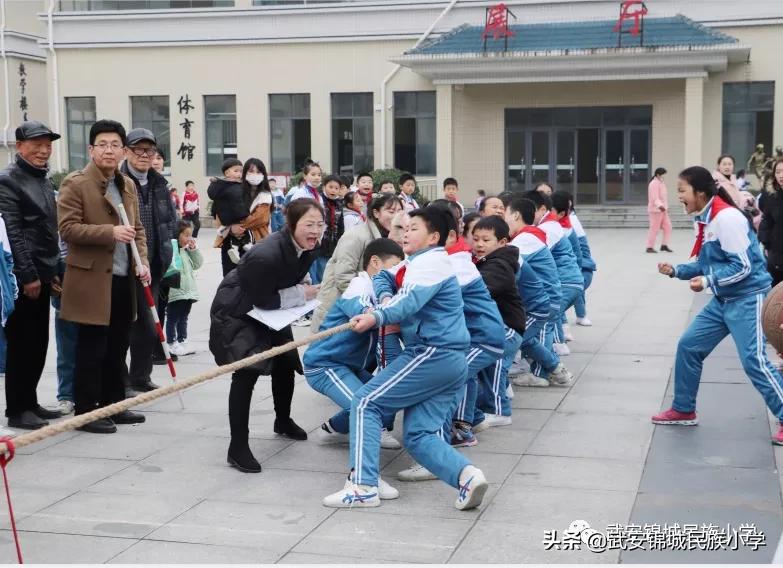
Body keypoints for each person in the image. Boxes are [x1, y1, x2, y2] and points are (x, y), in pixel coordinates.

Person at [322, 207, 489, 510]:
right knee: (419, 434)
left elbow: (408, 303)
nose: (405, 233)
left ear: (434, 237)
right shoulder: (418, 263)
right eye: (404, 228)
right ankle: (467, 476)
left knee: (365, 402)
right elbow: (387, 280)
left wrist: (376, 315)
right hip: (449, 360)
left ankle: (363, 487)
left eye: (413, 228)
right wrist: (385, 300)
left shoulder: (431, 263)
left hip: (432, 353)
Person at [653, 166, 783, 446]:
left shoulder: (727, 219)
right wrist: (676, 270)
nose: (679, 197)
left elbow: (745, 267)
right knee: (689, 346)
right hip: (724, 299)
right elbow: (704, 261)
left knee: (755, 361)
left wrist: (708, 281)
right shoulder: (705, 218)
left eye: (682, 191)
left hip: (748, 298)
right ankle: (684, 409)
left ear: (700, 192)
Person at [210, 199, 324, 472]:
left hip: (273, 307)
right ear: (292, 224)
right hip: (239, 308)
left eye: (320, 224)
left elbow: (295, 273)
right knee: (246, 372)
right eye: (309, 224)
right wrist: (303, 294)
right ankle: (237, 447)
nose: (316, 230)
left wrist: (303, 285)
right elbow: (263, 299)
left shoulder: (309, 245)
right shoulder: (266, 253)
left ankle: (282, 420)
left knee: (285, 362)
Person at [58, 119, 150, 434]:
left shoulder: (126, 184)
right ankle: (86, 411)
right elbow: (68, 229)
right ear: (91, 149)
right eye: (103, 145)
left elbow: (137, 229)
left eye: (115, 145)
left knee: (118, 344)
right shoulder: (76, 183)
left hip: (124, 277)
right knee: (91, 346)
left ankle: (114, 403)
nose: (109, 151)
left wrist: (144, 261)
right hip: (92, 279)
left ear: (123, 151)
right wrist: (109, 232)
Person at [303, 238, 404, 451]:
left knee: (387, 394)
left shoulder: (382, 289)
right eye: (394, 265)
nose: (396, 272)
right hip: (325, 366)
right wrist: (376, 314)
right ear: (375, 262)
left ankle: (333, 430)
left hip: (350, 367)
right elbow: (360, 311)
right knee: (367, 405)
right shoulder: (359, 285)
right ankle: (364, 471)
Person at [0, 120, 63, 429]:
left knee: (38, 341)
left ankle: (30, 400)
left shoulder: (41, 178)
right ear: (19, 146)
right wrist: (27, 275)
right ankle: (17, 408)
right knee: (22, 341)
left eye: (48, 144)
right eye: (36, 144)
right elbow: (13, 233)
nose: (43, 150)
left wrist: (51, 269)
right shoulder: (8, 180)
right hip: (22, 277)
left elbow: (47, 228)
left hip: (43, 270)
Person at [120, 128, 177, 394]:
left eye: (149, 150)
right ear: (127, 152)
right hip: (123, 262)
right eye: (138, 150)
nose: (145, 155)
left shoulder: (159, 183)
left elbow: (169, 221)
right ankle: (120, 381)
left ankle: (141, 376)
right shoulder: (117, 180)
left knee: (149, 324)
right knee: (122, 325)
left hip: (153, 262)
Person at [505, 197, 572, 387]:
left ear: (516, 215)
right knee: (526, 339)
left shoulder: (525, 239)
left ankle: (541, 374)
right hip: (542, 299)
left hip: (543, 301)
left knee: (520, 337)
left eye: (505, 215)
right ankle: (556, 369)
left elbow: (504, 263)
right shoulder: (528, 236)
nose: (503, 220)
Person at [310, 193, 402, 330]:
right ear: (376, 213)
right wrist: (365, 305)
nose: (396, 215)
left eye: (400, 211)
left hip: (366, 311)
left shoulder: (393, 238)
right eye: (391, 211)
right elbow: (343, 277)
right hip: (339, 308)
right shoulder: (356, 235)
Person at [472, 216, 526, 428]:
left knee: (493, 365)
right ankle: (497, 402)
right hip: (500, 326)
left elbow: (481, 290)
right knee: (490, 367)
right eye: (475, 239)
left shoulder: (499, 265)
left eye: (486, 240)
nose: (479, 244)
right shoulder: (490, 261)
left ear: (502, 242)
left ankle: (498, 410)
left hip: (508, 327)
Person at [525, 189, 583, 356]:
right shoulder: (552, 225)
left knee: (545, 319)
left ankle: (547, 364)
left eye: (530, 210)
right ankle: (556, 350)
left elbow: (539, 254)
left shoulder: (548, 228)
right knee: (552, 315)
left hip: (565, 281)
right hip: (570, 281)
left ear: (543, 209)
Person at [167, 220, 202, 356]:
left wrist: (194, 250)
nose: (189, 239)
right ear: (177, 234)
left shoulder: (186, 251)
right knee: (173, 318)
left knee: (184, 317)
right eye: (186, 235)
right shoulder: (173, 250)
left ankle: (183, 340)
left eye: (190, 235)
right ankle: (172, 343)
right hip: (176, 291)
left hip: (188, 292)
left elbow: (198, 264)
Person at [208, 158, 248, 276]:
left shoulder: (241, 186)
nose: (239, 174)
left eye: (241, 171)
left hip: (237, 227)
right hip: (230, 224)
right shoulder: (223, 187)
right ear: (226, 173)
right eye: (236, 171)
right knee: (231, 272)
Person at [311, 174, 345, 284]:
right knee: (321, 272)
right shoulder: (319, 201)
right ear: (324, 186)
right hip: (320, 242)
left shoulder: (339, 204)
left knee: (329, 272)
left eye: (336, 188)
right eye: (331, 187)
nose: (333, 190)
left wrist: (341, 242)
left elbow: (340, 225)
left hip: (333, 243)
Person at [759, 158, 783, 286]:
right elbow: (766, 222)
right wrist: (767, 244)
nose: (781, 175)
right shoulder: (771, 195)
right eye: (778, 172)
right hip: (777, 255)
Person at [240, 158, 274, 246]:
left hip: (259, 240)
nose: (255, 175)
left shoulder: (265, 195)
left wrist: (236, 226)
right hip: (238, 240)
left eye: (258, 172)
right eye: (251, 171)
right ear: (245, 173)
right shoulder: (238, 192)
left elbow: (260, 219)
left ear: (263, 175)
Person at [646, 167, 673, 254]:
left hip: (663, 210)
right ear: (658, 175)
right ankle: (649, 247)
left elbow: (663, 197)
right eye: (663, 175)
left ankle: (664, 245)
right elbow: (655, 198)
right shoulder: (653, 184)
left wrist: (665, 208)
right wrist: (660, 206)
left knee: (668, 227)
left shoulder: (661, 183)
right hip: (655, 210)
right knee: (654, 228)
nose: (664, 177)